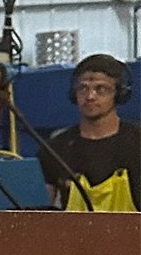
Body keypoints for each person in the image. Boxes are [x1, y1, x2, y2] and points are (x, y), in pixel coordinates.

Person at [40, 54, 141, 212]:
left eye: (101, 89)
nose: (90, 96)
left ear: (120, 93)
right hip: (73, 236)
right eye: (83, 88)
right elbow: (38, 216)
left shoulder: (137, 142)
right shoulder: (55, 149)